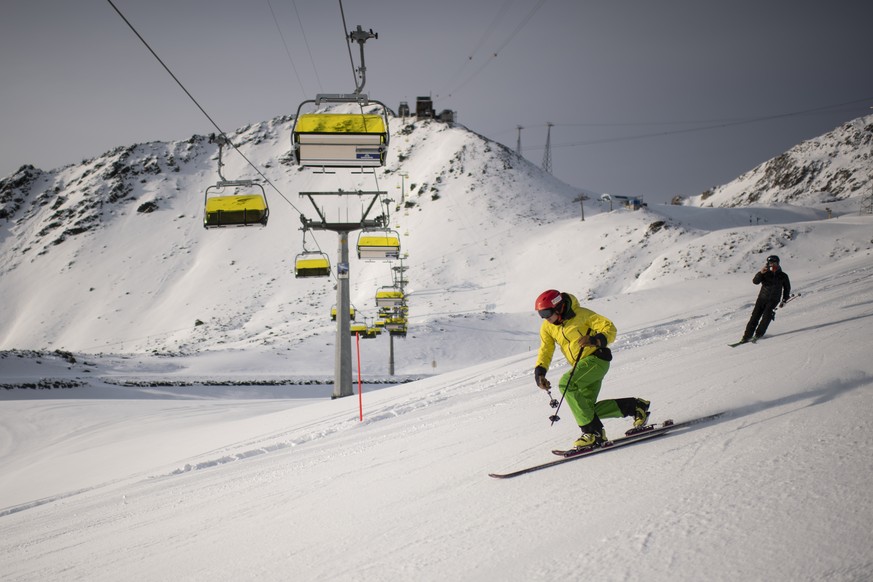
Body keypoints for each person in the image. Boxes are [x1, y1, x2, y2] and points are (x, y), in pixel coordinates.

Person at [533, 289, 650, 450]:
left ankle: (592, 433)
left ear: (558, 307)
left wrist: (595, 340)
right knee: (586, 410)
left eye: (547, 312)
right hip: (580, 367)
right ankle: (636, 407)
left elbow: (609, 328)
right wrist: (540, 372)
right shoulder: (548, 327)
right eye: (541, 314)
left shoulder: (582, 315)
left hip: (596, 359)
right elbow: (546, 350)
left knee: (566, 383)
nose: (545, 318)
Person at [740, 254, 791, 343]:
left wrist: (784, 300)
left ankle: (758, 335)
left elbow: (787, 288)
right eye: (770, 263)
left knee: (766, 317)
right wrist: (760, 273)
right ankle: (746, 337)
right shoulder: (765, 273)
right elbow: (755, 281)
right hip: (761, 299)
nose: (772, 265)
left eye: (773, 263)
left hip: (774, 300)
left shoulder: (783, 276)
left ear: (778, 263)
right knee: (754, 317)